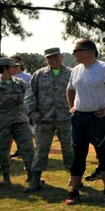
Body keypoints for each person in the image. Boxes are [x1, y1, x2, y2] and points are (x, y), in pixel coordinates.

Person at [64, 39, 105, 205]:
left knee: (103, 153)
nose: (73, 54)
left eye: (75, 50)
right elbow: (70, 89)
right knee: (78, 155)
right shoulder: (76, 69)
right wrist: (72, 107)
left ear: (86, 51)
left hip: (99, 118)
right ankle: (74, 191)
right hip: (79, 118)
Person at [24, 47, 74, 193]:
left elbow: (78, 93)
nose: (53, 60)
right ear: (46, 59)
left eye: (55, 57)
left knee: (70, 149)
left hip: (66, 118)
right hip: (43, 119)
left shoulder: (71, 73)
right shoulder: (39, 74)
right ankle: (35, 181)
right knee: (40, 150)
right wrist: (33, 113)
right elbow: (30, 95)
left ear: (61, 57)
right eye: (50, 58)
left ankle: (75, 178)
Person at [0, 57, 34, 185]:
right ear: (5, 68)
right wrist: (17, 97)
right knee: (3, 150)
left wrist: (10, 96)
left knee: (28, 148)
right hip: (2, 122)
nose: (16, 68)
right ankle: (6, 177)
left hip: (21, 120)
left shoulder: (20, 82)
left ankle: (31, 175)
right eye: (13, 66)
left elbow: (28, 96)